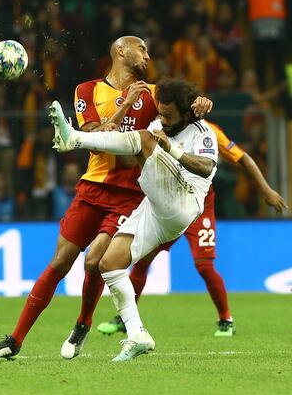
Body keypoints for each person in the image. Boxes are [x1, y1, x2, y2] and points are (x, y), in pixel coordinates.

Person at [0, 35, 211, 361]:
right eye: (140, 48)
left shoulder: (154, 92)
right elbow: (91, 138)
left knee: (94, 261)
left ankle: (83, 323)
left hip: (130, 194)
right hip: (92, 187)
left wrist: (203, 102)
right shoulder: (87, 90)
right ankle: (14, 341)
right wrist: (125, 106)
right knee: (59, 263)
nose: (147, 54)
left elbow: (187, 105)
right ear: (120, 50)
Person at [49, 77, 219, 361]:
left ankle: (75, 138)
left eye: (169, 115)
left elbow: (204, 168)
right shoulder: (158, 128)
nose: (162, 120)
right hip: (154, 206)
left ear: (187, 113)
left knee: (144, 137)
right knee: (109, 263)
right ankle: (137, 335)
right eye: (160, 113)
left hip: (183, 202)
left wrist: (168, 148)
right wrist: (118, 133)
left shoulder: (203, 132)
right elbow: (132, 156)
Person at [97, 121, 287, 338]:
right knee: (142, 261)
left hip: (199, 206)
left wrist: (267, 190)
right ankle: (124, 320)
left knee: (204, 265)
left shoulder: (208, 130)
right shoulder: (160, 125)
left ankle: (226, 320)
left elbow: (242, 157)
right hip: (168, 206)